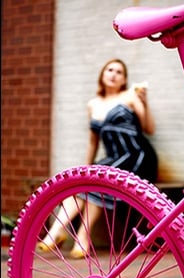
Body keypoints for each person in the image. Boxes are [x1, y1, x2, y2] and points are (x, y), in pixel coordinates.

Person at [38, 58, 158, 259]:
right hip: (113, 158)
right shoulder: (93, 104)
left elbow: (149, 129)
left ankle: (82, 237)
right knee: (84, 181)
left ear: (124, 79)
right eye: (110, 69)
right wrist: (86, 167)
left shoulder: (130, 96)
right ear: (102, 74)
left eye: (119, 72)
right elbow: (93, 141)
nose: (113, 74)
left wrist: (144, 103)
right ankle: (57, 232)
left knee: (98, 181)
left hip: (137, 156)